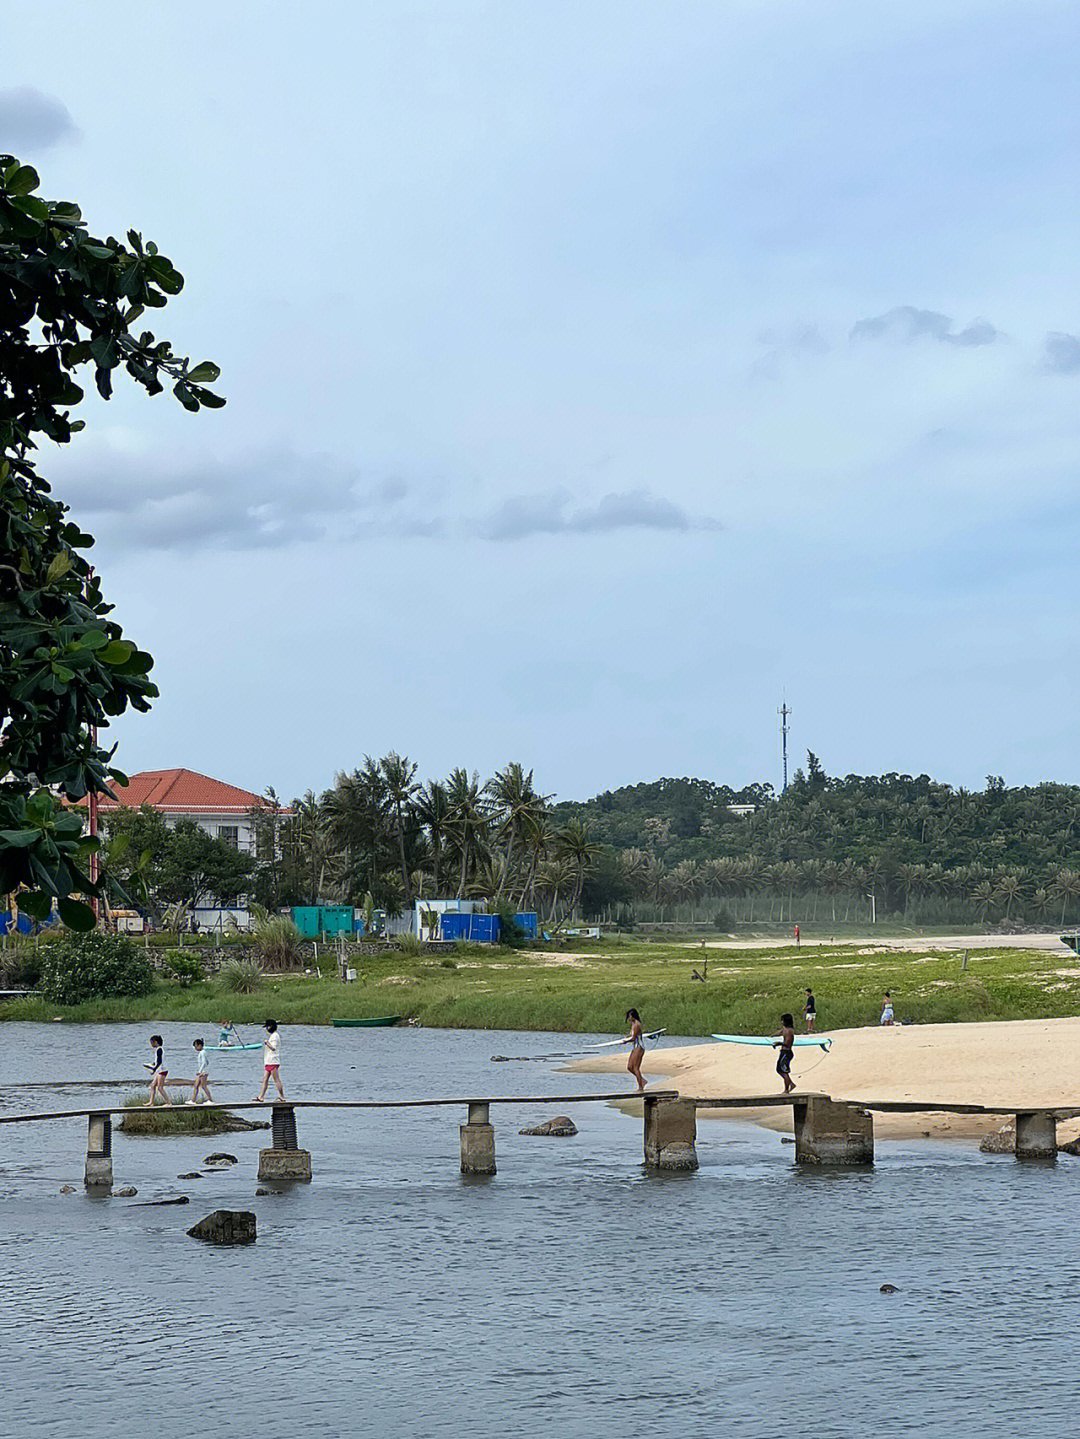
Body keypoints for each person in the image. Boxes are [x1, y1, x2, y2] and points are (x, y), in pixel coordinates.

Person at [255, 1020, 284, 1101]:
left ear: (271, 1026)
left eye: (267, 1027)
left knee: (276, 1079)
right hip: (268, 1061)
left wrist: (267, 1042)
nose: (267, 1029)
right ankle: (261, 1097)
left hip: (273, 1061)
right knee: (265, 1079)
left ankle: (282, 1097)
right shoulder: (272, 1036)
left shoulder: (275, 1036)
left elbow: (273, 1048)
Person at [623, 1008, 647, 1093]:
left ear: (633, 1016)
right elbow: (631, 1034)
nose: (629, 1019)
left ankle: (641, 1087)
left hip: (639, 1047)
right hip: (635, 1047)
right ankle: (642, 1080)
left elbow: (633, 1038)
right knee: (629, 1067)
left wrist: (626, 1041)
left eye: (629, 1017)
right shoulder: (633, 1024)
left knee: (636, 1068)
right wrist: (627, 1036)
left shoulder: (637, 1025)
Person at [143, 1034, 170, 1106]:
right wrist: (152, 1065)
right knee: (152, 1086)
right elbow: (157, 1061)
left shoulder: (159, 1050)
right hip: (160, 1071)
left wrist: (153, 1070)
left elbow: (160, 1062)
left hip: (162, 1071)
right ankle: (151, 1102)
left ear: (156, 1042)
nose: (151, 1044)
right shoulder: (158, 1050)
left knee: (160, 1088)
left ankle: (168, 1103)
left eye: (152, 1042)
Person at [772, 1013, 796, 1094]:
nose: (781, 1022)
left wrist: (778, 1043)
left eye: (782, 1020)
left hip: (787, 1052)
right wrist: (771, 1036)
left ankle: (786, 1089)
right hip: (783, 1052)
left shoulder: (789, 1031)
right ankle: (791, 1084)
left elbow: (787, 1043)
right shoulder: (785, 1029)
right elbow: (780, 1032)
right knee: (779, 1069)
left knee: (784, 1071)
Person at [189, 1039, 213, 1105]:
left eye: (196, 1046)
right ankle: (193, 1100)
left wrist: (200, 1071)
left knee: (204, 1086)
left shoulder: (203, 1052)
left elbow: (204, 1062)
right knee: (196, 1085)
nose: (195, 1048)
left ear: (200, 1045)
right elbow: (207, 1062)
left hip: (203, 1072)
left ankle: (210, 1100)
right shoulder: (202, 1053)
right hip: (201, 1071)